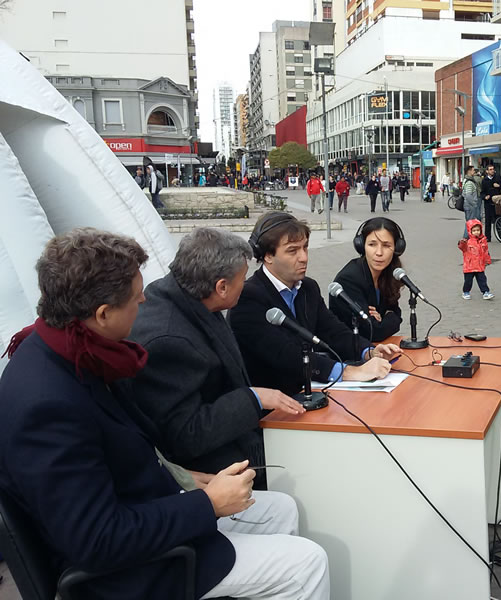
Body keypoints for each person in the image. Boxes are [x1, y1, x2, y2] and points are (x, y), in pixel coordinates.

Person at [0, 228, 329, 600]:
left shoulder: (67, 349)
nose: (145, 299)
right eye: (135, 298)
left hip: (150, 510)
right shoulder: (46, 402)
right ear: (103, 314)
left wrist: (180, 476)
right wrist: (207, 504)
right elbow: (97, 540)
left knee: (280, 509)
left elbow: (116, 453)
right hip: (130, 573)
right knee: (307, 564)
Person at [129, 228, 304, 484]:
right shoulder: (169, 339)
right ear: (221, 287)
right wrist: (254, 398)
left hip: (234, 442)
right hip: (210, 470)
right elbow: (184, 435)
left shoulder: (189, 295)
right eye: (242, 278)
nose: (245, 284)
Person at [229, 212, 401, 396]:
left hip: (309, 394)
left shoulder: (308, 288)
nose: (303, 257)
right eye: (293, 251)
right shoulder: (247, 298)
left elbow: (334, 331)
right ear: (268, 255)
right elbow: (286, 355)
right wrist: (350, 372)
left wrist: (369, 352)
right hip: (271, 405)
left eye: (305, 248)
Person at [330, 217, 405, 341]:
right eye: (372, 244)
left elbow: (395, 312)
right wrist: (388, 317)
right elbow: (373, 331)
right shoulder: (349, 279)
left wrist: (386, 318)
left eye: (386, 245)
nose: (379, 252)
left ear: (397, 248)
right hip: (347, 348)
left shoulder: (389, 273)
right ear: (362, 246)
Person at [458, 219, 494, 300]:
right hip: (469, 266)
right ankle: (466, 292)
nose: (476, 232)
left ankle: (486, 292)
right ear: (470, 231)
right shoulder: (467, 242)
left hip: (479, 265)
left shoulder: (483, 240)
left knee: (482, 280)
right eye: (474, 231)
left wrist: (487, 260)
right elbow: (462, 247)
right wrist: (462, 242)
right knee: (468, 281)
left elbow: (486, 251)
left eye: (478, 230)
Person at [481, 165, 501, 242]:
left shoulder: (497, 177)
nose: (492, 171)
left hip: (497, 203)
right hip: (488, 203)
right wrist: (485, 197)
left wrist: (499, 186)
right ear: (487, 171)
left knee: (499, 219)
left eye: (493, 169)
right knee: (488, 220)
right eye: (490, 169)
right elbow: (482, 192)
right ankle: (488, 237)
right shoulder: (484, 180)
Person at [461, 165, 481, 237]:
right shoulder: (469, 182)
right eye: (473, 170)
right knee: (470, 222)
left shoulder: (466, 180)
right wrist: (474, 204)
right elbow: (468, 195)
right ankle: (466, 238)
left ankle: (467, 237)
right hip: (470, 206)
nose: (474, 171)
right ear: (469, 171)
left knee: (469, 222)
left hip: (468, 205)